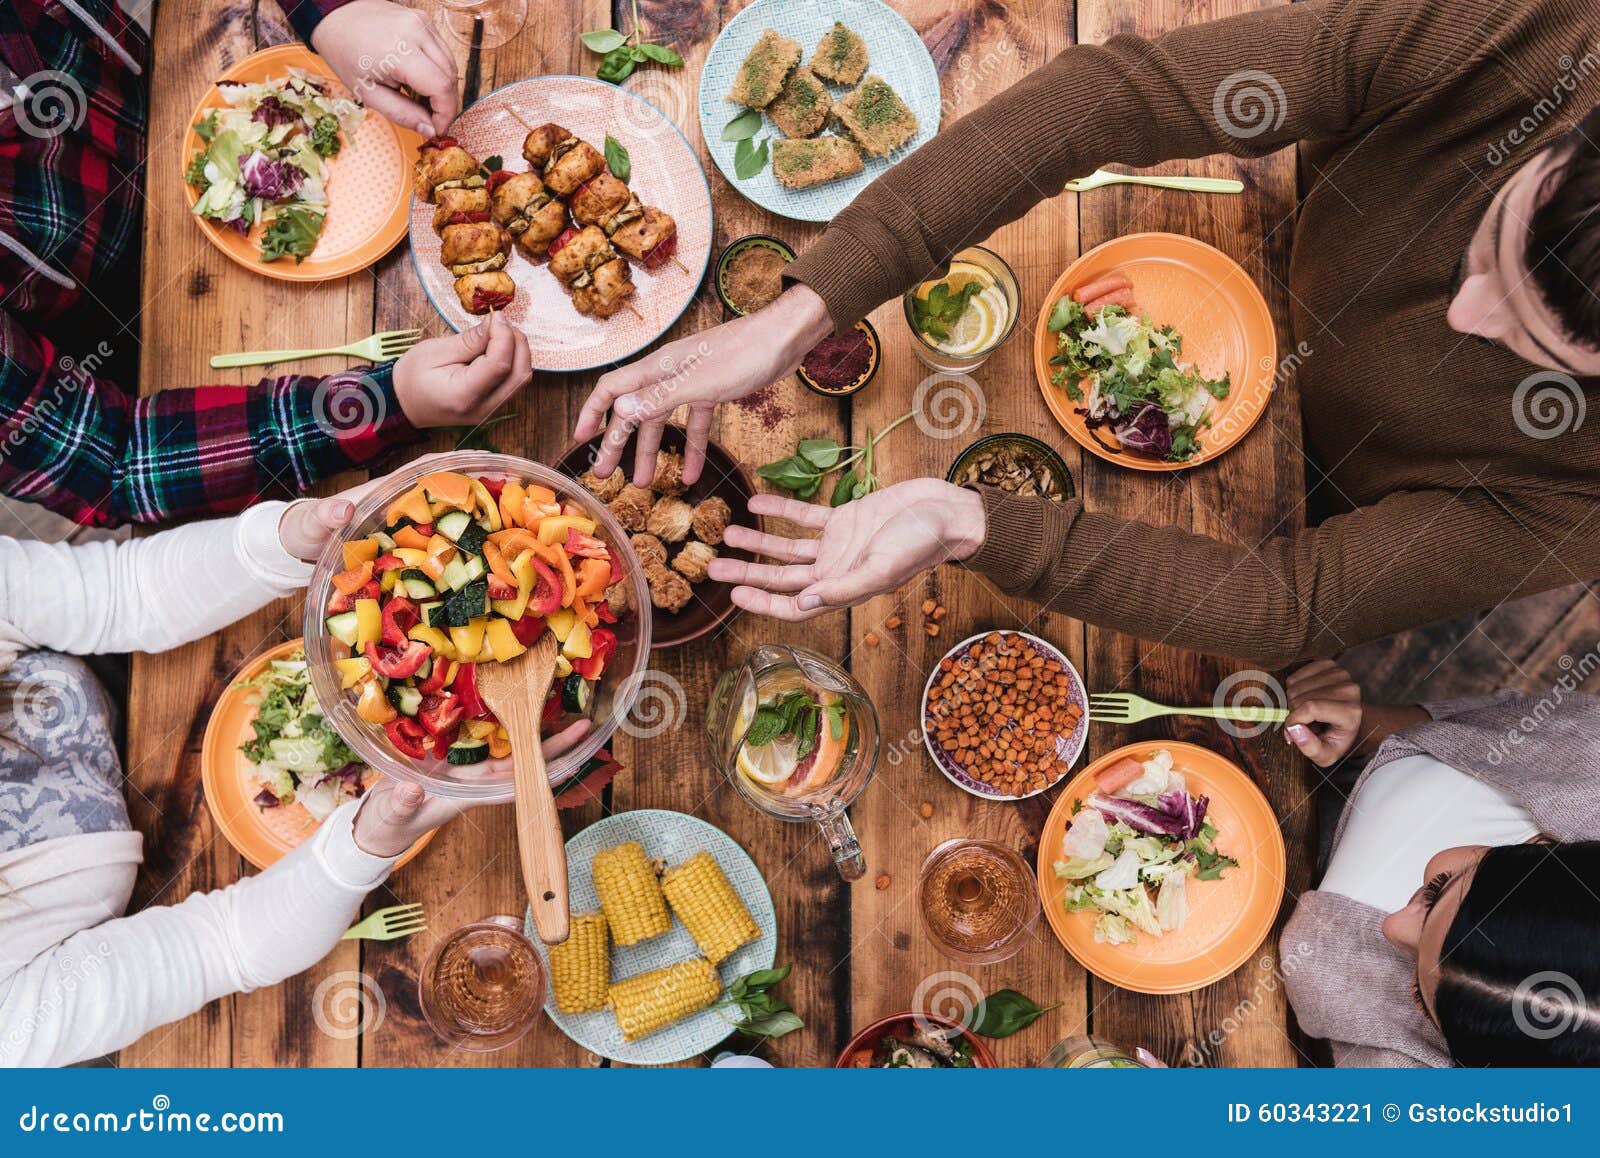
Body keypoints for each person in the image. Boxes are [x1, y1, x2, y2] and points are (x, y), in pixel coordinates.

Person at [578, 0, 1600, 669]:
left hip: (1358, 493)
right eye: (1491, 242)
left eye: (1535, 348)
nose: (1461, 319)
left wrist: (970, 524)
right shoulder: (1535, 34)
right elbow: (1121, 99)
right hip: (1276, 236)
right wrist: (806, 307)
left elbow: (1290, 603)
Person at [0, 459, 589, 1067]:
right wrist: (366, 839)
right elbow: (224, 946)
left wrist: (282, 542)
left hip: (108, 682)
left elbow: (121, 593)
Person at [0, 0, 531, 527]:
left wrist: (329, 13)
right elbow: (110, 463)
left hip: (154, 108)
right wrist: (387, 404)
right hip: (73, 338)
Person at [1276, 661, 1600, 1067]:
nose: (1391, 927)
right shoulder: (1590, 753)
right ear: (1540, 847)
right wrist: (1365, 731)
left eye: (1418, 995)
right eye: (1438, 889)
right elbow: (1491, 718)